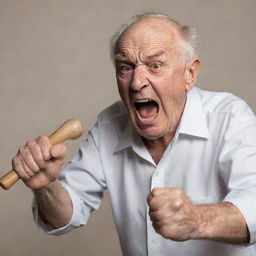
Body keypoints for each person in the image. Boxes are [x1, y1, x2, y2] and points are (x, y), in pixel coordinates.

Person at [12, 13, 256, 256]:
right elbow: (67, 213)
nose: (137, 83)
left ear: (189, 74)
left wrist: (198, 220)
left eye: (155, 66)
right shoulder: (109, 124)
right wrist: (46, 187)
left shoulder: (230, 118)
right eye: (125, 67)